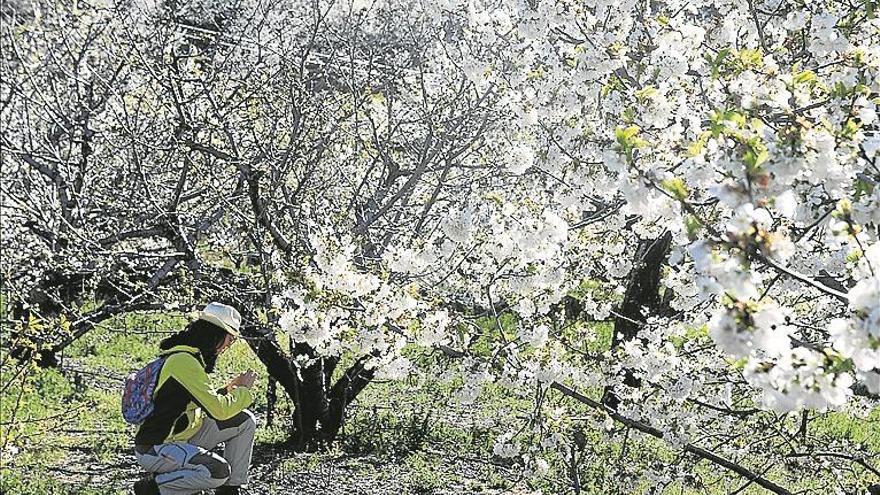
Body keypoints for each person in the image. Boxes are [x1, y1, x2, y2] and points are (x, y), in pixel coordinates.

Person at [133, 302, 258, 495]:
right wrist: (243, 391)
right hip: (157, 447)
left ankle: (230, 490)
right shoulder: (184, 362)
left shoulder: (189, 357)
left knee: (245, 421)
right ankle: (153, 488)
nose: (228, 345)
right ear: (215, 334)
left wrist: (229, 389)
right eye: (230, 339)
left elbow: (200, 402)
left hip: (183, 437)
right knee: (218, 471)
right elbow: (219, 411)